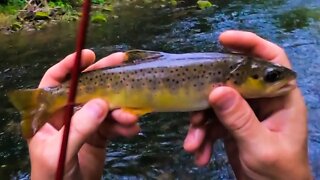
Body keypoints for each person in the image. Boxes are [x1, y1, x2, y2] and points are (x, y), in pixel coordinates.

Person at [28, 30, 312, 179]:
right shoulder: (226, 73)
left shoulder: (230, 72)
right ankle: (48, 101)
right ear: (236, 79)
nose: (283, 81)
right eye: (270, 77)